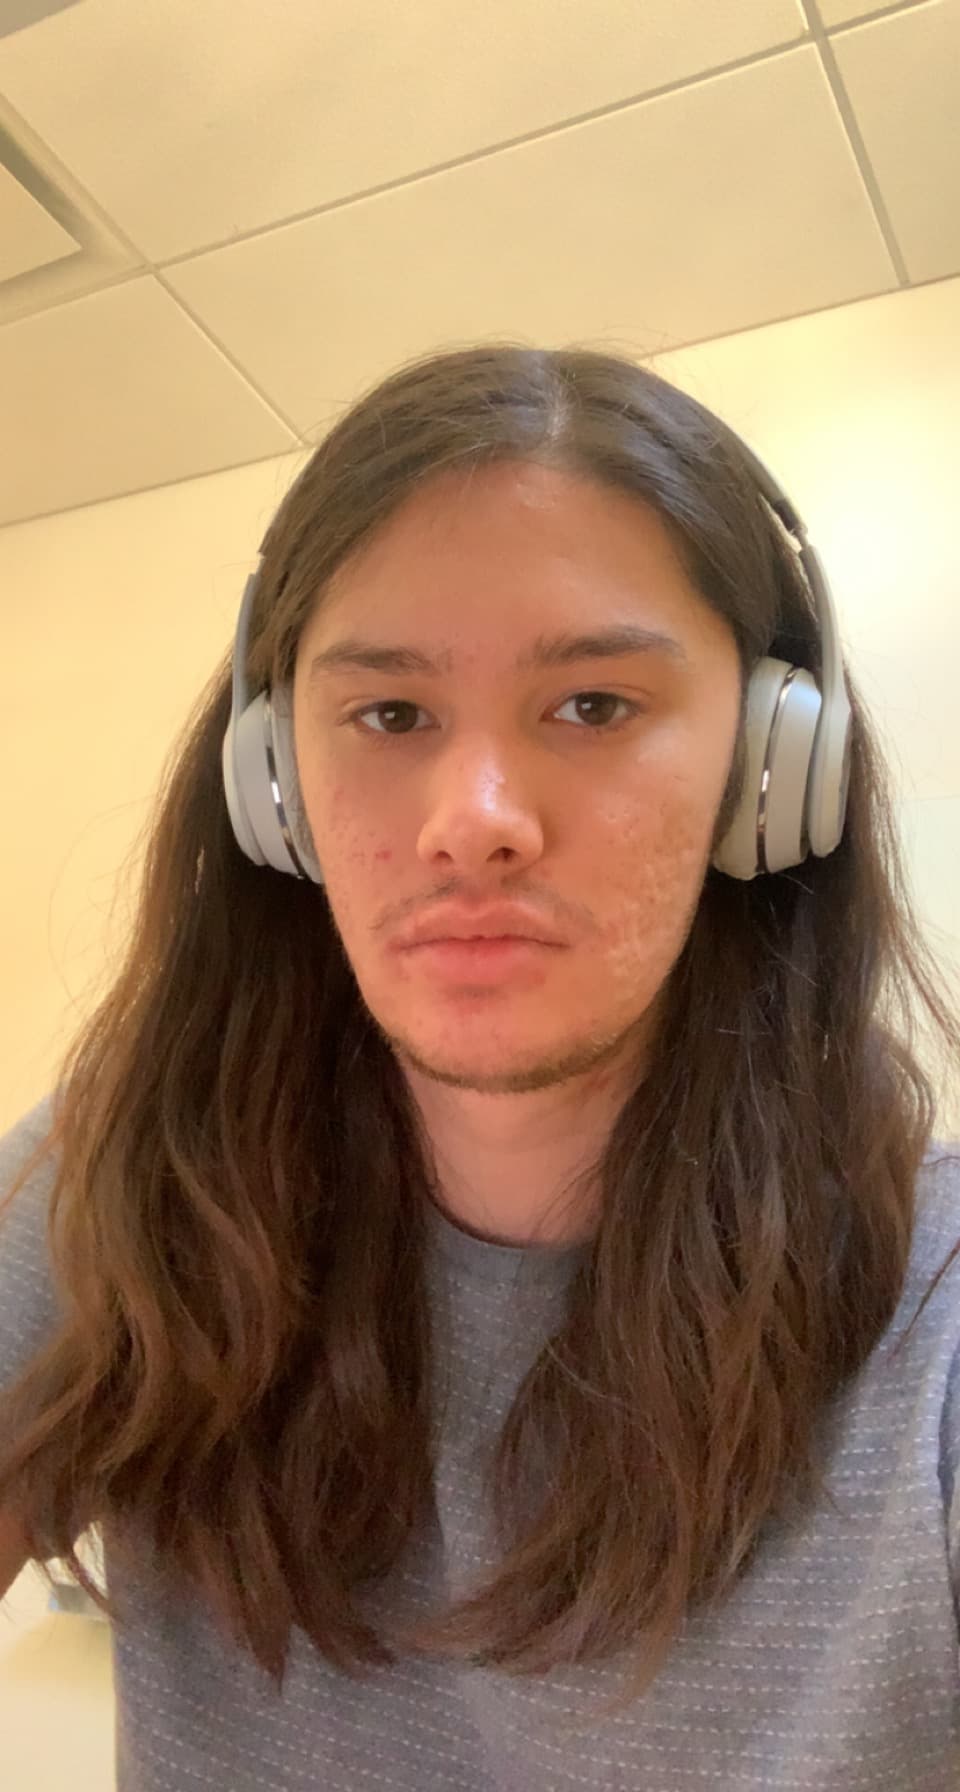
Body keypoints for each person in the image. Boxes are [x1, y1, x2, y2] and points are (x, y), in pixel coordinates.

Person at [1, 342, 959, 1792]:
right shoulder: (127, 1175)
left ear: (773, 765)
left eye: (594, 706)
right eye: (390, 715)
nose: (475, 820)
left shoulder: (931, 1319)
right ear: (275, 785)